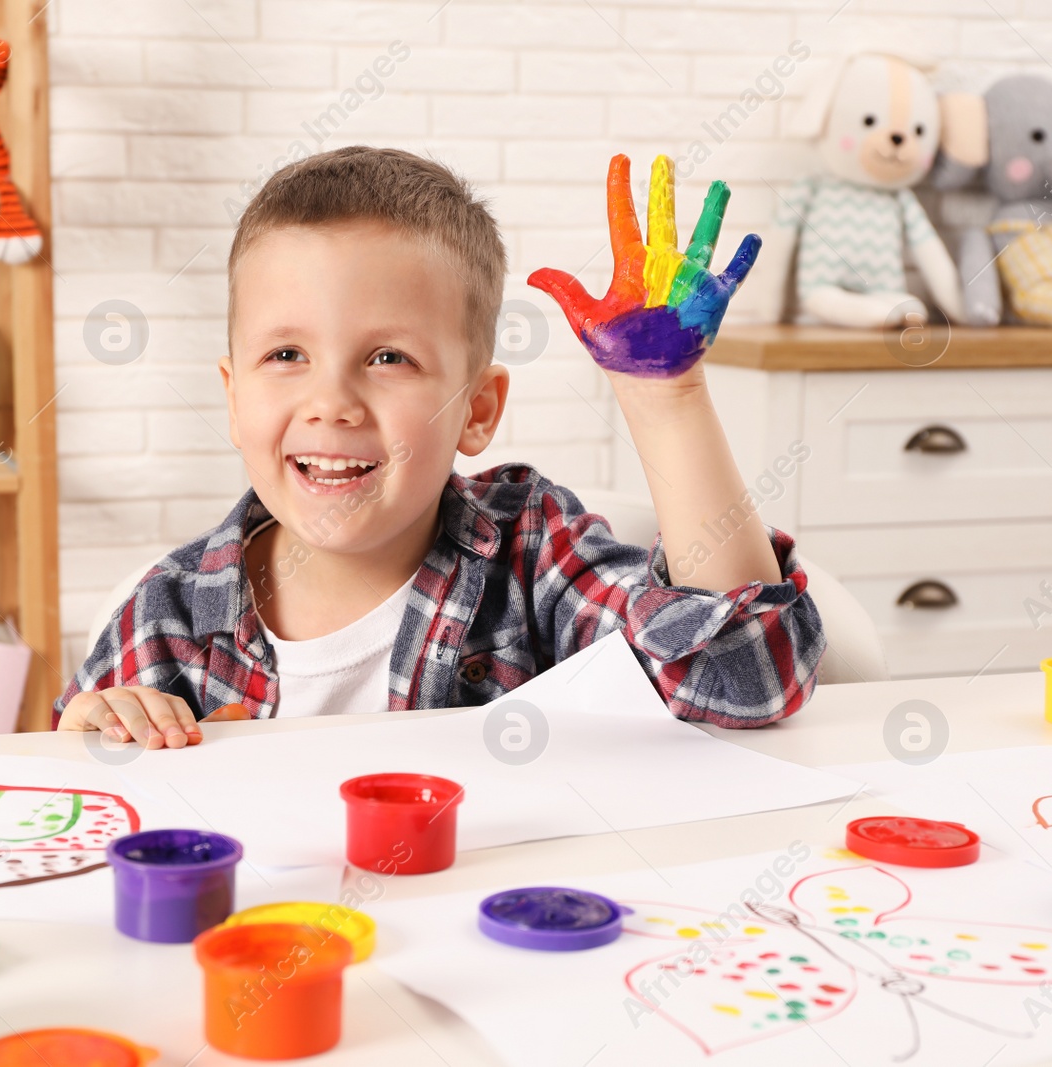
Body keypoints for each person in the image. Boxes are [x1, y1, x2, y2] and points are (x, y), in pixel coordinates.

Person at [55, 146, 824, 748]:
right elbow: (76, 800)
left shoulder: (533, 554)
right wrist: (94, 737)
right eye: (286, 355)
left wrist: (665, 396)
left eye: (389, 358)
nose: (331, 403)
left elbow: (742, 679)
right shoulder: (167, 616)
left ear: (477, 409)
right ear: (232, 395)